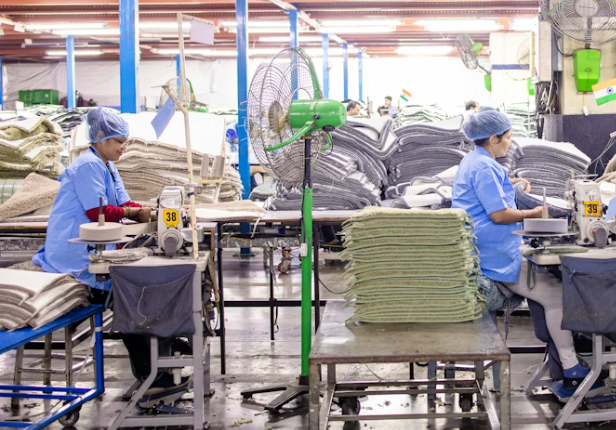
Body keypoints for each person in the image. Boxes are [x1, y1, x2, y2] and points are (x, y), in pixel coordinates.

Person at [32, 109, 187, 404]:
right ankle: (151, 374)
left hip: (95, 251)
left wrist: (153, 210)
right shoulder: (88, 166)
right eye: (119, 142)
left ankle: (164, 347)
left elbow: (123, 202)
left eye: (125, 142)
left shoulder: (108, 165)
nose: (123, 148)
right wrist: (134, 213)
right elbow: (98, 212)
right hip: (75, 256)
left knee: (139, 289)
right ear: (100, 137)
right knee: (128, 297)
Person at [451, 109, 605, 400]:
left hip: (486, 247)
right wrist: (533, 213)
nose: (510, 143)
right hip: (492, 254)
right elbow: (499, 214)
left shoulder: (476, 161)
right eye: (508, 138)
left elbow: (487, 192)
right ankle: (571, 367)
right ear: (493, 138)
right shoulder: (483, 167)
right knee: (556, 295)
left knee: (547, 286)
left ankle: (563, 362)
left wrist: (510, 184)